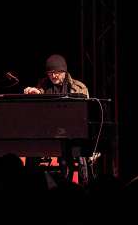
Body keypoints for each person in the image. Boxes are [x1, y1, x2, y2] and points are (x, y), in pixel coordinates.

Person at [23, 54, 90, 183]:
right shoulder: (44, 84)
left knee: (77, 151)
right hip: (48, 131)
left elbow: (84, 114)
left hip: (71, 132)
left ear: (64, 72)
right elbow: (39, 93)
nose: (53, 76)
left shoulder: (78, 87)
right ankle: (30, 182)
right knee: (31, 149)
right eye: (50, 73)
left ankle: (83, 183)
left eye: (57, 73)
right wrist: (34, 92)